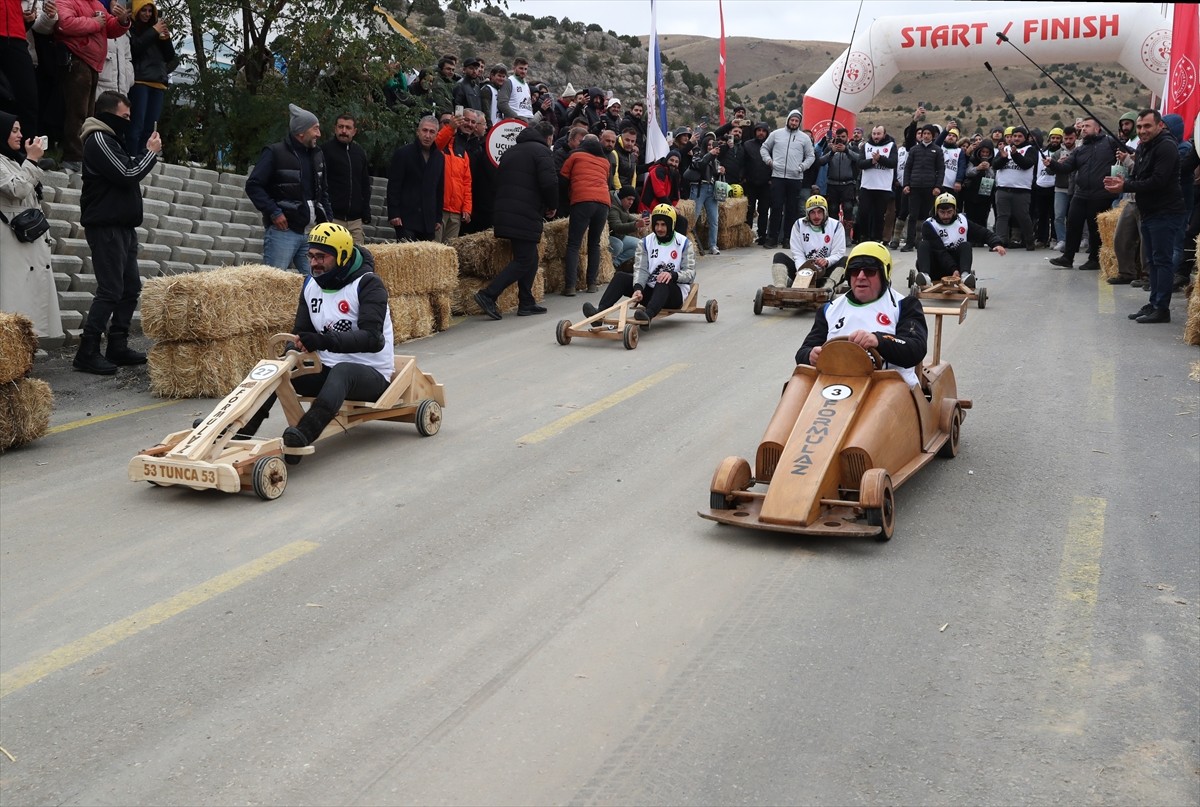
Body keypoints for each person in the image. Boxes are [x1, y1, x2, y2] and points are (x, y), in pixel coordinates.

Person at [237, 223, 394, 459]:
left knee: (343, 371)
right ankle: (236, 429)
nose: (313, 263)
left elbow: (373, 339)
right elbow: (301, 331)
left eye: (321, 257)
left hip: (370, 374)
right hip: (327, 368)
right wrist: (292, 351)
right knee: (272, 371)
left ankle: (304, 433)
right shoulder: (311, 284)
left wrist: (322, 341)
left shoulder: (368, 284)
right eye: (310, 256)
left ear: (341, 255)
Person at [72, 89, 158, 374]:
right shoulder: (99, 138)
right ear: (109, 114)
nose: (129, 120)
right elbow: (128, 173)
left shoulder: (110, 138)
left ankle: (117, 344)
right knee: (110, 290)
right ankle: (87, 350)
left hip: (121, 225)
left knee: (130, 288)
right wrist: (150, 153)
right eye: (125, 116)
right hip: (106, 226)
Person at [795, 242, 928, 389]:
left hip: (890, 385)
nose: (861, 276)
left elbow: (916, 349)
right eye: (854, 271)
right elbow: (802, 353)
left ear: (884, 274)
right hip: (836, 383)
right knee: (794, 386)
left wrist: (878, 340)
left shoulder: (905, 305)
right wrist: (810, 355)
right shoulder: (829, 309)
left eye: (869, 271)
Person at [1104, 110, 1186, 324]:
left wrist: (1126, 185)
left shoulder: (1166, 146)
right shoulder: (1144, 147)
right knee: (1152, 261)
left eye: (1147, 126)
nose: (1142, 131)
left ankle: (1162, 308)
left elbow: (1158, 181)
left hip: (1165, 211)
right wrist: (1125, 178)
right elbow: (1140, 175)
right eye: (1139, 127)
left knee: (1162, 261)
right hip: (1148, 211)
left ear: (1160, 126)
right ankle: (1154, 302)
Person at [473, 121, 557, 320]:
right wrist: (552, 205)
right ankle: (488, 295)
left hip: (505, 211)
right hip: (525, 212)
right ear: (549, 138)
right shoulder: (542, 152)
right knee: (525, 259)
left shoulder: (511, 152)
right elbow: (550, 182)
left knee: (531, 257)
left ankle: (526, 301)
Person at [246, 103, 332, 274]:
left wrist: (328, 221)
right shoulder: (274, 152)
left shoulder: (318, 155)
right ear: (301, 131)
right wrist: (274, 212)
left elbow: (323, 192)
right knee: (274, 281)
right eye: (315, 129)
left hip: (311, 233)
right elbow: (253, 185)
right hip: (283, 232)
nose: (319, 134)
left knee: (316, 282)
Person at [0, 111, 63, 341]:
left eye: (19, 130)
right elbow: (16, 189)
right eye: (14, 130)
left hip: (29, 238)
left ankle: (24, 348)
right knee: (14, 294)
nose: (20, 135)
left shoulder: (15, 159)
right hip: (10, 239)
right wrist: (32, 160)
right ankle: (10, 349)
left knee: (29, 294)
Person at [581, 203, 695, 329]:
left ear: (671, 225)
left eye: (663, 225)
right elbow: (641, 269)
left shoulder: (684, 243)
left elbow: (690, 274)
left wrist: (672, 275)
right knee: (621, 277)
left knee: (663, 280)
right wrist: (638, 287)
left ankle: (647, 316)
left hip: (673, 294)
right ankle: (599, 314)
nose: (659, 229)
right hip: (650, 291)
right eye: (656, 224)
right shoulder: (646, 242)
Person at [55, 0, 131, 173]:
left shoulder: (96, 4)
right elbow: (64, 24)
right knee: (78, 112)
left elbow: (110, 28)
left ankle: (84, 156)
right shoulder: (67, 1)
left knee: (89, 114)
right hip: (77, 60)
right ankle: (73, 157)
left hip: (92, 64)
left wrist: (121, 21)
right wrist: (94, 23)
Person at [1046, 117, 1118, 271]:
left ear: (1098, 128)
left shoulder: (1110, 143)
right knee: (1072, 223)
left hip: (1101, 193)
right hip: (1081, 192)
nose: (1083, 129)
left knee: (1094, 228)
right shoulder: (1080, 149)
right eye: (1082, 126)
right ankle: (1067, 257)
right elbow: (1066, 168)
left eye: (1087, 126)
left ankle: (1094, 259)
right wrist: (1052, 164)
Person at [914, 193, 1007, 287]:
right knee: (923, 244)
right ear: (936, 211)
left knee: (966, 245)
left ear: (954, 210)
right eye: (942, 212)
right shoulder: (929, 225)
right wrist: (953, 269)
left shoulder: (962, 221)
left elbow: (983, 233)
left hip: (957, 271)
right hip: (936, 266)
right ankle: (925, 277)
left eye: (949, 212)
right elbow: (939, 251)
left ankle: (965, 276)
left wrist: (996, 243)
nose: (946, 216)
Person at [560, 133, 611, 295]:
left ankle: (570, 287)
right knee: (594, 244)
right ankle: (592, 284)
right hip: (603, 203)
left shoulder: (575, 155)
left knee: (574, 244)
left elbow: (562, 178)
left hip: (582, 200)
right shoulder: (605, 161)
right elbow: (607, 183)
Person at [760, 109, 815, 248]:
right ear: (788, 120)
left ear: (799, 123)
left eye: (797, 121)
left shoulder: (804, 138)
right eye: (792, 120)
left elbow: (811, 156)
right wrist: (769, 161)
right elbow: (764, 148)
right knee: (776, 208)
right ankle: (772, 238)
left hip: (795, 178)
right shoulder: (776, 134)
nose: (794, 122)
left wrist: (802, 167)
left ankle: (788, 239)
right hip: (777, 177)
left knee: (792, 209)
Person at [125, 0, 174, 155]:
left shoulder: (156, 29)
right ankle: (131, 158)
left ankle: (143, 161)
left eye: (150, 11)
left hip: (158, 82)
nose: (147, 14)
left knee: (150, 129)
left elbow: (170, 57)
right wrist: (153, 31)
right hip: (140, 81)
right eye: (143, 10)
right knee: (136, 126)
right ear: (137, 11)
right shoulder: (131, 27)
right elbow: (135, 49)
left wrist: (165, 39)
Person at [386, 115, 444, 242]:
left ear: (436, 135)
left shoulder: (439, 158)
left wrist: (438, 217)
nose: (427, 135)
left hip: (428, 220)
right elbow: (394, 186)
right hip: (406, 218)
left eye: (432, 132)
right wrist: (394, 213)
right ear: (418, 131)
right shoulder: (403, 153)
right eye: (425, 130)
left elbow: (439, 189)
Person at [771, 194, 846, 289]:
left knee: (845, 261)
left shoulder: (836, 226)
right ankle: (780, 288)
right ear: (807, 213)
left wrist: (827, 261)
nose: (816, 216)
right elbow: (797, 253)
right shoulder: (799, 225)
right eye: (813, 213)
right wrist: (801, 270)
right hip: (802, 271)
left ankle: (827, 289)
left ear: (825, 212)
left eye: (819, 212)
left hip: (825, 273)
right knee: (779, 256)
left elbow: (838, 253)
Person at [320, 114, 372, 245]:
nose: (344, 131)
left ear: (354, 131)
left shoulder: (360, 153)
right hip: (332, 218)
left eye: (348, 127)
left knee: (358, 259)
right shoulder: (324, 151)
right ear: (335, 129)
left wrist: (366, 211)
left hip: (355, 221)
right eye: (340, 127)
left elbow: (365, 184)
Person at [992, 125, 1036, 250]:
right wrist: (1004, 158)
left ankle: (1029, 240)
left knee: (1023, 216)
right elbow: (995, 165)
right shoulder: (1004, 148)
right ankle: (1000, 242)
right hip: (1003, 189)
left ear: (1025, 138)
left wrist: (1015, 154)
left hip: (1021, 190)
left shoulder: (1030, 149)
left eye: (1019, 136)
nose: (1016, 139)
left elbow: (1027, 164)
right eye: (1014, 136)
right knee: (1002, 216)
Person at [901, 122, 943, 252]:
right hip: (914, 187)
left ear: (933, 136)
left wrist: (938, 186)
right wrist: (906, 184)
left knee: (925, 217)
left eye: (928, 134)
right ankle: (909, 243)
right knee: (912, 215)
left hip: (929, 188)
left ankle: (922, 243)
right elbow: (907, 168)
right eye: (924, 133)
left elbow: (941, 170)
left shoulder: (937, 150)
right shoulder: (914, 149)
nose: (925, 136)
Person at [855, 124, 897, 243]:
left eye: (878, 134)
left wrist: (880, 159)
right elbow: (860, 163)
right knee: (863, 212)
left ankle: (877, 238)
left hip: (883, 187)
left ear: (884, 134)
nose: (876, 136)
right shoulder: (866, 146)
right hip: (867, 186)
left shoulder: (891, 146)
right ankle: (864, 236)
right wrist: (872, 161)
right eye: (874, 134)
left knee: (879, 215)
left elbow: (893, 163)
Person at [434, 111, 472, 242]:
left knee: (449, 253)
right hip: (438, 208)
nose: (450, 124)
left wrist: (467, 208)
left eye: (453, 121)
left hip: (455, 212)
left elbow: (466, 182)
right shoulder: (436, 146)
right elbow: (437, 145)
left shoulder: (462, 151)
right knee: (435, 250)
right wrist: (450, 127)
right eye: (446, 122)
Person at [691, 131, 722, 256]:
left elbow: (714, 174)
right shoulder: (698, 154)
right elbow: (699, 165)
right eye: (709, 145)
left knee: (714, 219)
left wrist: (720, 171)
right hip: (699, 188)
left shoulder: (716, 160)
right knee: (693, 217)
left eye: (712, 145)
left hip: (711, 188)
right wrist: (710, 154)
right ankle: (690, 243)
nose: (711, 147)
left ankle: (713, 245)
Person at [743, 121, 771, 245]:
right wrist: (743, 178)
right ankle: (747, 235)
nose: (761, 133)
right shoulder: (747, 145)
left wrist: (772, 179)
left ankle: (762, 236)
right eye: (759, 130)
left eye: (763, 131)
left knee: (764, 210)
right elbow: (742, 162)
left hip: (766, 184)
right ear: (755, 132)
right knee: (749, 210)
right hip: (750, 183)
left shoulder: (772, 146)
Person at [607, 186, 644, 271]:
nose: (631, 202)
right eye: (629, 199)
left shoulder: (622, 204)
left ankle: (615, 264)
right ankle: (608, 265)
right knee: (618, 245)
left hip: (619, 236)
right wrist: (636, 225)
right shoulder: (613, 207)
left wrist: (638, 220)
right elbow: (617, 227)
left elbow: (626, 216)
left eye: (633, 200)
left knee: (640, 244)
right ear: (621, 198)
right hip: (609, 238)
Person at [498, 56, 534, 121]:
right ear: (514, 68)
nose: (523, 71)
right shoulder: (509, 81)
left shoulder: (526, 85)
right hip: (516, 121)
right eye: (521, 68)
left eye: (525, 69)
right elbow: (502, 103)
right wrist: (517, 117)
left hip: (529, 118)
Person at [479, 63, 507, 128]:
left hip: (499, 126)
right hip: (491, 127)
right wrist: (490, 127)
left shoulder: (499, 90)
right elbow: (486, 110)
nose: (501, 79)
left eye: (503, 77)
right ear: (492, 75)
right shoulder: (487, 89)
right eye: (499, 76)